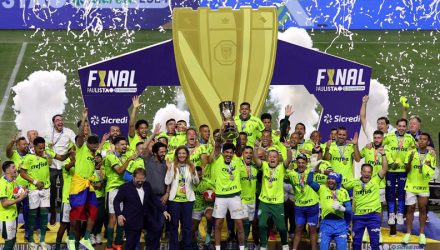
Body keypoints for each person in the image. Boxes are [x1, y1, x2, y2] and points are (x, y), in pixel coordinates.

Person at [20, 136, 70, 250]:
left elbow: (61, 158)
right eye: (39, 148)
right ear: (34, 146)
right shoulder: (28, 158)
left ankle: (42, 240)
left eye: (43, 148)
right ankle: (31, 240)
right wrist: (35, 181)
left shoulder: (47, 152)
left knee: (43, 216)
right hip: (34, 189)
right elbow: (22, 173)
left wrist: (69, 153)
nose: (42, 150)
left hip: (46, 189)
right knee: (32, 215)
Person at [67, 108, 101, 250]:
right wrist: (84, 118)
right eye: (92, 146)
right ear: (87, 144)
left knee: (94, 210)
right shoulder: (81, 147)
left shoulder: (95, 153)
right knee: (77, 213)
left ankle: (86, 239)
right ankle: (71, 239)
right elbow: (80, 135)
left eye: (96, 147)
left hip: (89, 185)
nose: (93, 149)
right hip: (78, 184)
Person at [114, 168, 171, 250]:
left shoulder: (147, 185)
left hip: (146, 217)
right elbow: (116, 201)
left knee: (157, 228)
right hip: (131, 219)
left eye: (142, 179)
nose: (140, 181)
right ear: (133, 177)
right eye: (138, 179)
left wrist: (163, 210)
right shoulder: (125, 187)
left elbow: (153, 198)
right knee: (131, 244)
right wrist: (119, 214)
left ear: (145, 178)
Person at [343, 154, 388, 250]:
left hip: (373, 217)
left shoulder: (375, 181)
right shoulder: (354, 182)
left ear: (371, 173)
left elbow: (384, 169)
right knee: (356, 244)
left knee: (375, 244)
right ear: (361, 172)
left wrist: (383, 155)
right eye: (364, 172)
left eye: (369, 172)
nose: (366, 174)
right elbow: (339, 185)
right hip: (358, 217)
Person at [253, 140, 292, 250]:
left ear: (278, 158)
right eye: (270, 156)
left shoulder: (281, 167)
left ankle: (285, 243)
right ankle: (263, 245)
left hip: (277, 203)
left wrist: (288, 148)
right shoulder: (264, 165)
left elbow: (288, 159)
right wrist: (256, 148)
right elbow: (255, 159)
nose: (272, 158)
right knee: (261, 225)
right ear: (266, 158)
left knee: (281, 227)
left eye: (275, 156)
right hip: (264, 202)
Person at [210, 141, 247, 250]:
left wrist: (236, 134)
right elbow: (217, 147)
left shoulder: (236, 160)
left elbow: (239, 149)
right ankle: (217, 248)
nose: (228, 155)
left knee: (239, 225)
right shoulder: (218, 160)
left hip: (235, 197)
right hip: (221, 197)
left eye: (231, 152)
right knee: (218, 224)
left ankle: (242, 248)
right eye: (226, 152)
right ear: (222, 153)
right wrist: (221, 134)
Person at [402, 132, 437, 245]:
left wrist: (427, 166)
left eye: (424, 139)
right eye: (420, 139)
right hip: (411, 185)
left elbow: (431, 173)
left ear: (428, 142)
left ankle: (422, 234)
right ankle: (408, 233)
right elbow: (406, 171)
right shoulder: (411, 152)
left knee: (422, 208)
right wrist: (410, 161)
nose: (421, 141)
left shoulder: (431, 155)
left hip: (423, 186)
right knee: (410, 209)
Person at [103, 136, 136, 250]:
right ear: (116, 145)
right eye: (122, 144)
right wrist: (129, 160)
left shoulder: (124, 157)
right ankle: (108, 245)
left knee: (122, 217)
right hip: (112, 190)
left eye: (125, 144)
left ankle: (117, 243)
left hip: (123, 190)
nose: (124, 146)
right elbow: (119, 170)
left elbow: (126, 174)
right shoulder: (110, 157)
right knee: (112, 218)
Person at [165, 146, 199, 250]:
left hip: (187, 201)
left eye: (184, 153)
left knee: (187, 227)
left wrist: (193, 172)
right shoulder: (173, 166)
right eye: (179, 153)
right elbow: (167, 182)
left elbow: (196, 183)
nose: (181, 155)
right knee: (174, 225)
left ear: (187, 155)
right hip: (174, 201)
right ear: (176, 155)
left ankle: (187, 247)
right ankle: (174, 248)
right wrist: (169, 169)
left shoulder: (191, 166)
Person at [358, 130, 389, 243]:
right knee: (366, 206)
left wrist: (384, 154)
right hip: (367, 183)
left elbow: (387, 167)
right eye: (375, 137)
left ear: (382, 138)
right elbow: (357, 158)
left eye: (379, 138)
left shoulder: (386, 149)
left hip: (379, 183)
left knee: (378, 208)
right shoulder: (367, 148)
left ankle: (377, 230)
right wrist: (355, 144)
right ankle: (366, 231)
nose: (376, 140)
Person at [383, 118, 415, 225]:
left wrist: (406, 162)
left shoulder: (410, 138)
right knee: (390, 193)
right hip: (391, 169)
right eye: (399, 126)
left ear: (406, 127)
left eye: (403, 126)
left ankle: (400, 214)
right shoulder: (389, 136)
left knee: (402, 193)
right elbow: (384, 148)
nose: (401, 128)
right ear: (396, 126)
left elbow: (412, 150)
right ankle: (391, 214)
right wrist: (391, 162)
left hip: (402, 170)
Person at [47, 114, 76, 225]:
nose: (60, 122)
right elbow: (45, 148)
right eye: (57, 120)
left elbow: (76, 144)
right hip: (52, 166)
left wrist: (73, 152)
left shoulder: (69, 132)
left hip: (65, 167)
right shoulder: (48, 133)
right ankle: (53, 213)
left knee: (65, 191)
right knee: (52, 192)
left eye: (61, 120)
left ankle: (65, 214)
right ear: (54, 123)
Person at [310, 172, 351, 250]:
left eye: (332, 179)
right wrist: (312, 170)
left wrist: (342, 208)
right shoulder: (322, 188)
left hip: (340, 225)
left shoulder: (343, 191)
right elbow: (310, 182)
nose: (330, 180)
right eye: (328, 178)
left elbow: (350, 209)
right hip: (326, 224)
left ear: (337, 181)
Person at [286, 154, 318, 250]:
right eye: (299, 163)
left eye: (303, 163)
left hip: (312, 205)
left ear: (306, 163)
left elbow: (322, 170)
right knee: (298, 229)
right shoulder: (291, 174)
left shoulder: (311, 171)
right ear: (296, 163)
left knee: (312, 230)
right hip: (299, 207)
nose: (301, 165)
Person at [144, 141, 170, 249]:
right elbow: (145, 146)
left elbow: (169, 179)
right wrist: (154, 134)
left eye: (165, 151)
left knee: (160, 225)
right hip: (149, 198)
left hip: (162, 198)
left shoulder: (166, 163)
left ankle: (155, 246)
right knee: (150, 225)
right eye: (161, 151)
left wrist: (167, 193)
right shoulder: (148, 160)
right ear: (154, 153)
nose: (164, 153)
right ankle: (150, 247)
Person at [0, 161, 28, 250]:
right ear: (7, 170)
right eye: (13, 167)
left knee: (12, 240)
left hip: (13, 216)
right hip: (6, 218)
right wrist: (20, 198)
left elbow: (12, 195)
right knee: (9, 243)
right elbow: (4, 203)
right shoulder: (2, 183)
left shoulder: (12, 181)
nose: (15, 169)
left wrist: (21, 192)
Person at [238, 146, 259, 247]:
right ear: (242, 154)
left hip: (253, 200)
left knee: (251, 224)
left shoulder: (255, 167)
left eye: (250, 153)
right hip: (242, 200)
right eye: (246, 153)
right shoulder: (238, 166)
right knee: (245, 224)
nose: (249, 155)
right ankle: (243, 246)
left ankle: (250, 244)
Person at [55, 147, 75, 250]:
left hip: (78, 199)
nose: (74, 152)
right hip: (67, 200)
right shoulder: (65, 163)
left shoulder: (80, 164)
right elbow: (68, 167)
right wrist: (77, 159)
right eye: (73, 151)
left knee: (75, 224)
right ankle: (57, 246)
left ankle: (71, 243)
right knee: (63, 224)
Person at [192, 166, 215, 245]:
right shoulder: (189, 183)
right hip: (195, 208)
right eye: (197, 175)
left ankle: (209, 232)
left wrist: (211, 197)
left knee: (209, 216)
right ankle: (196, 241)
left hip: (207, 206)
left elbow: (217, 193)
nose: (199, 177)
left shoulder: (207, 182)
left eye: (200, 175)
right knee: (192, 229)